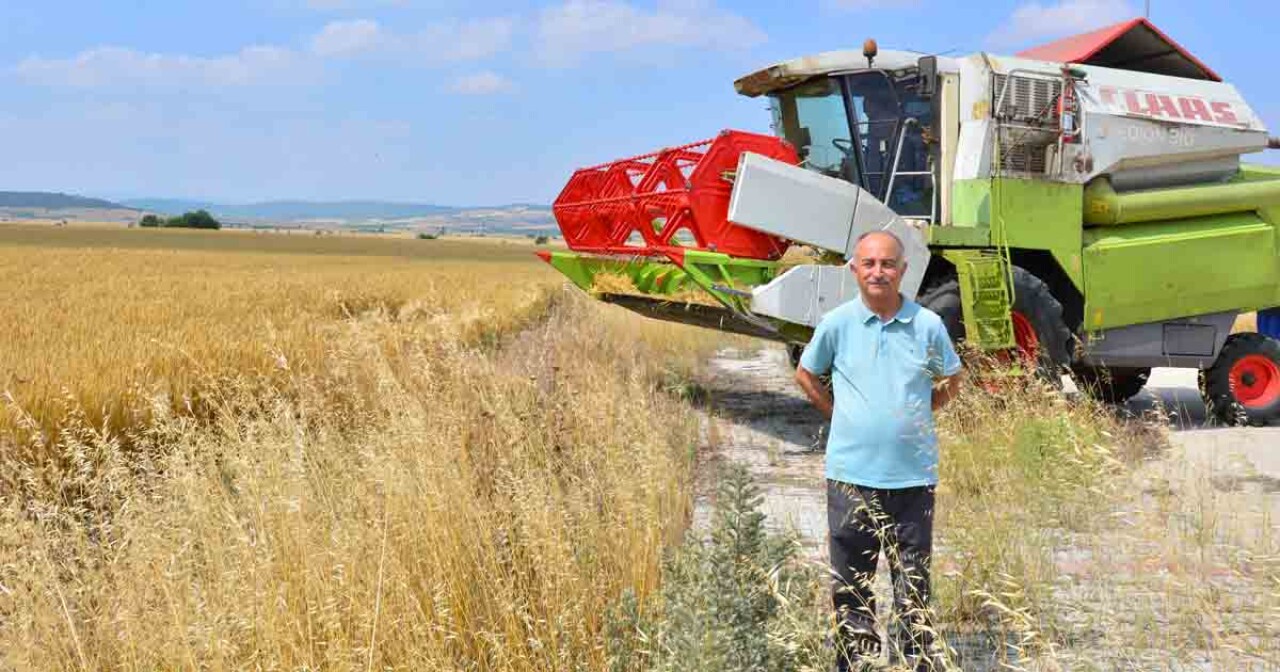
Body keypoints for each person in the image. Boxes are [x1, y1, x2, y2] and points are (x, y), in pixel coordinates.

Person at [794, 231, 963, 671]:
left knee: (913, 587)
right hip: (850, 478)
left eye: (887, 263)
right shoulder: (837, 324)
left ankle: (912, 664)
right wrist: (840, 414)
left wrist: (917, 415)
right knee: (851, 587)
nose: (877, 272)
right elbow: (806, 374)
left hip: (913, 481)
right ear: (854, 270)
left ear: (903, 271)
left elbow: (951, 381)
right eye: (868, 263)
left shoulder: (927, 325)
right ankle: (858, 664)